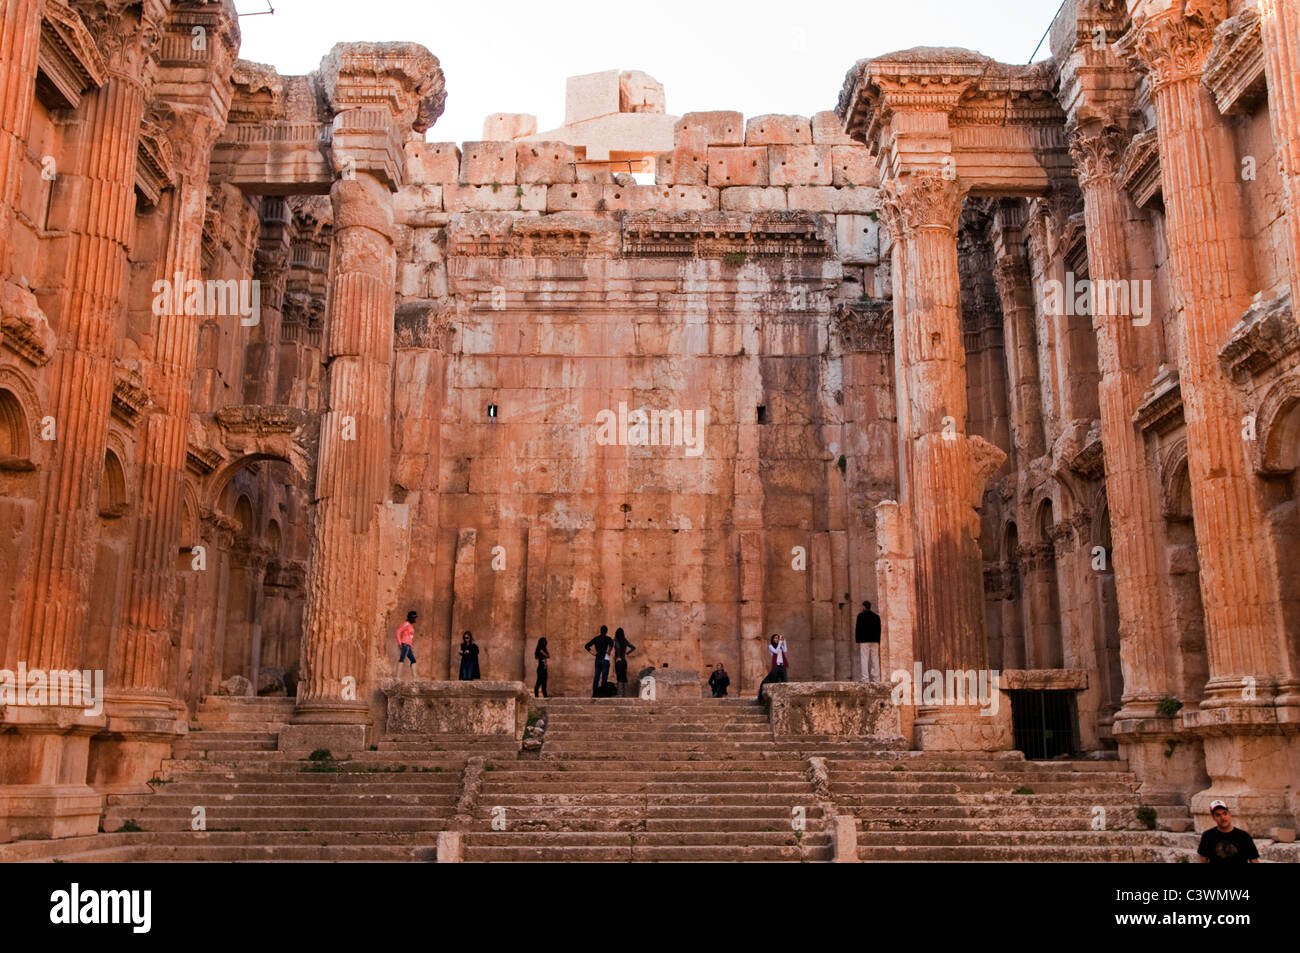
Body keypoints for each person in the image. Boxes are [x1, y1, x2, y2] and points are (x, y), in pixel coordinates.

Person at [855, 600, 882, 682]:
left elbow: (858, 629)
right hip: (875, 641)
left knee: (864, 659)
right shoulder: (876, 616)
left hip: (864, 641)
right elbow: (879, 629)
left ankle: (865, 679)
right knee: (875, 659)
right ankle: (877, 679)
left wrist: (857, 641)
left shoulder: (860, 616)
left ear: (864, 607)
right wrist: (878, 641)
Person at [584, 625, 614, 697]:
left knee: (596, 677)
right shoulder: (608, 639)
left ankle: (595, 694)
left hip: (598, 659)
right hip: (605, 659)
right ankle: (603, 694)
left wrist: (593, 653)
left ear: (600, 631)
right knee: (604, 678)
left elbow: (586, 646)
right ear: (606, 631)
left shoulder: (596, 639)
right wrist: (609, 651)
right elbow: (612, 644)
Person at [757, 633, 788, 699]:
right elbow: (776, 652)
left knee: (785, 680)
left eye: (778, 638)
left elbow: (785, 650)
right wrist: (780, 643)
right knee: (773, 679)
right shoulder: (770, 646)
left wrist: (784, 642)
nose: (777, 639)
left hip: (782, 665)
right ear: (773, 639)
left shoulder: (780, 646)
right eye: (775, 638)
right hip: (776, 666)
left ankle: (783, 695)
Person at [613, 627, 637, 697]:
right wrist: (627, 653)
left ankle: (619, 694)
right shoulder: (624, 640)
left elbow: (617, 649)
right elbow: (633, 647)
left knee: (619, 677)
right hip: (624, 661)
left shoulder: (616, 641)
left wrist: (618, 657)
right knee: (624, 677)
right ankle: (625, 694)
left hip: (619, 661)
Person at [396, 610, 418, 678]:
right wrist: (400, 643)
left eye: (415, 618)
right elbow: (398, 631)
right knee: (402, 659)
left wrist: (411, 645)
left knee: (413, 660)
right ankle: (397, 677)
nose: (414, 619)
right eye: (413, 618)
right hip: (405, 644)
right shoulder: (406, 624)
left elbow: (408, 636)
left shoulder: (410, 625)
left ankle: (415, 678)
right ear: (410, 618)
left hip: (408, 645)